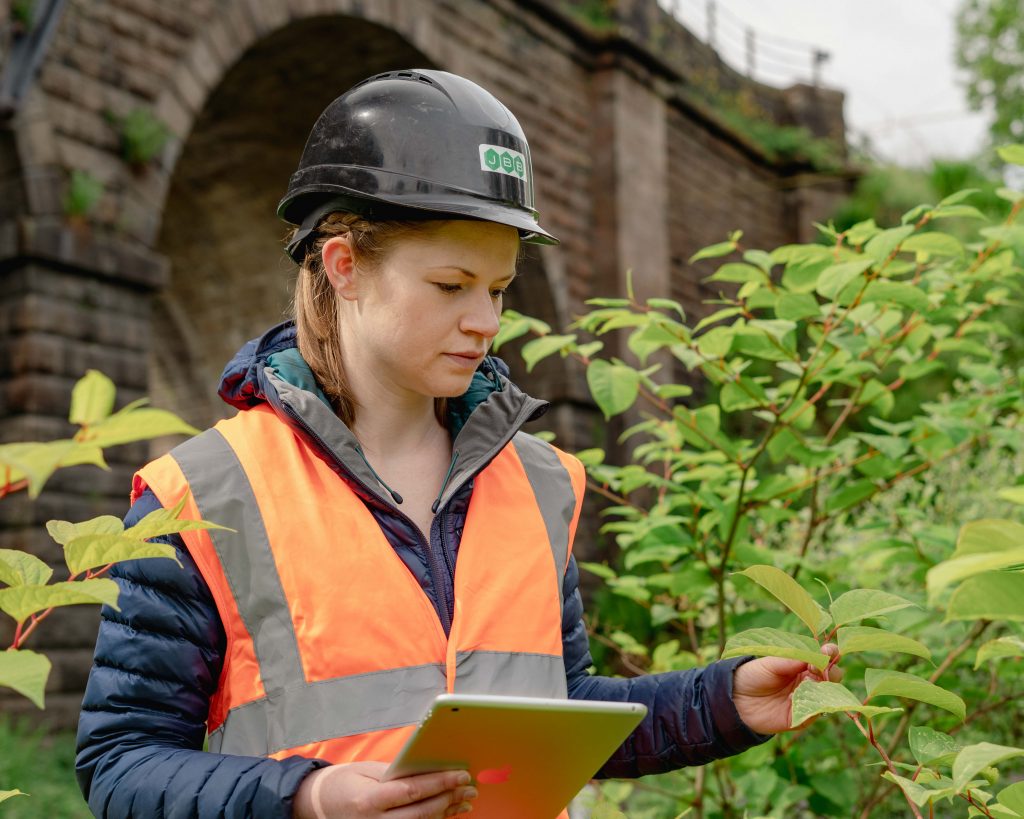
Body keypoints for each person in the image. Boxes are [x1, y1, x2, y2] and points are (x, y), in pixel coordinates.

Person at [76, 69, 839, 819]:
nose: (486, 319)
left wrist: (723, 702)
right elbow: (121, 762)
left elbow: (559, 712)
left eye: (499, 288)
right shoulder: (203, 490)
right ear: (343, 265)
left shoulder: (542, 482)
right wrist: (309, 795)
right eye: (452, 284)